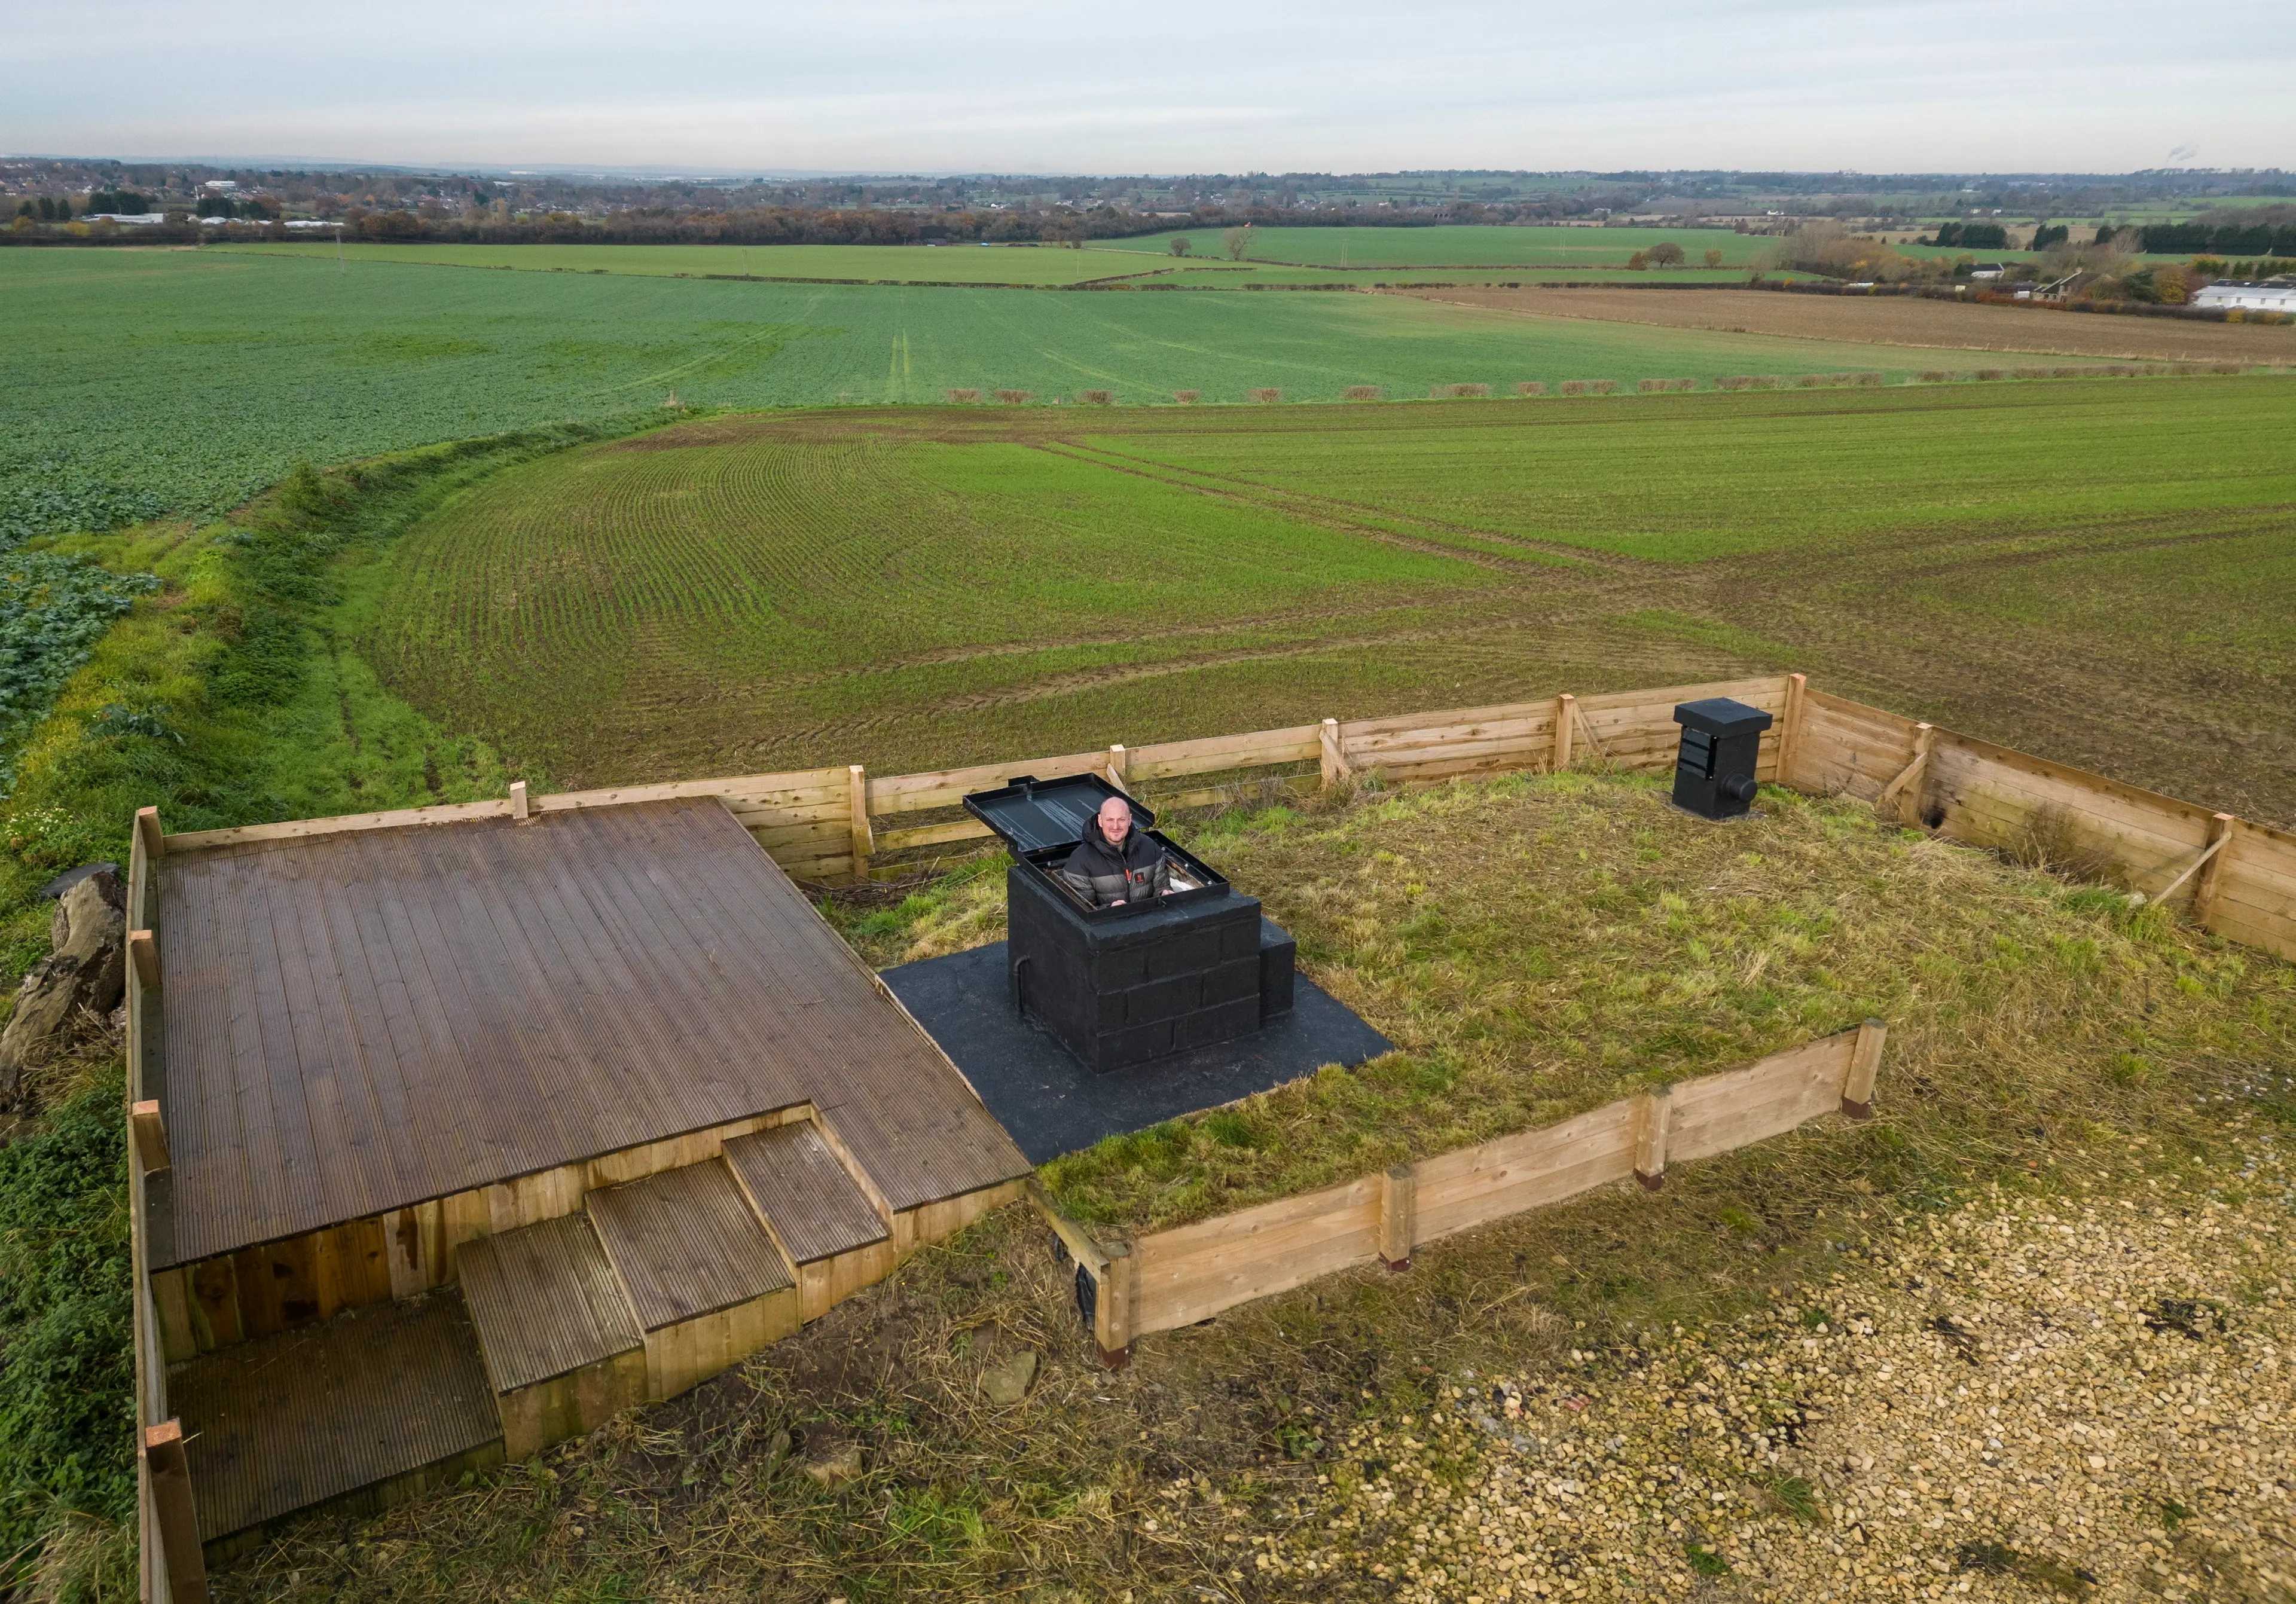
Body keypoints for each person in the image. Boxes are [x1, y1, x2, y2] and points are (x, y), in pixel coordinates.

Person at [1061, 795, 1170, 908]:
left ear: (1130, 820)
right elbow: (1082, 911)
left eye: (1121, 820)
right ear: (1100, 821)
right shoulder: (1079, 862)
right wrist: (1109, 909)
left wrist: (1165, 893)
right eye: (1110, 820)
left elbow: (1162, 887)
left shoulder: (1150, 848)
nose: (1116, 826)